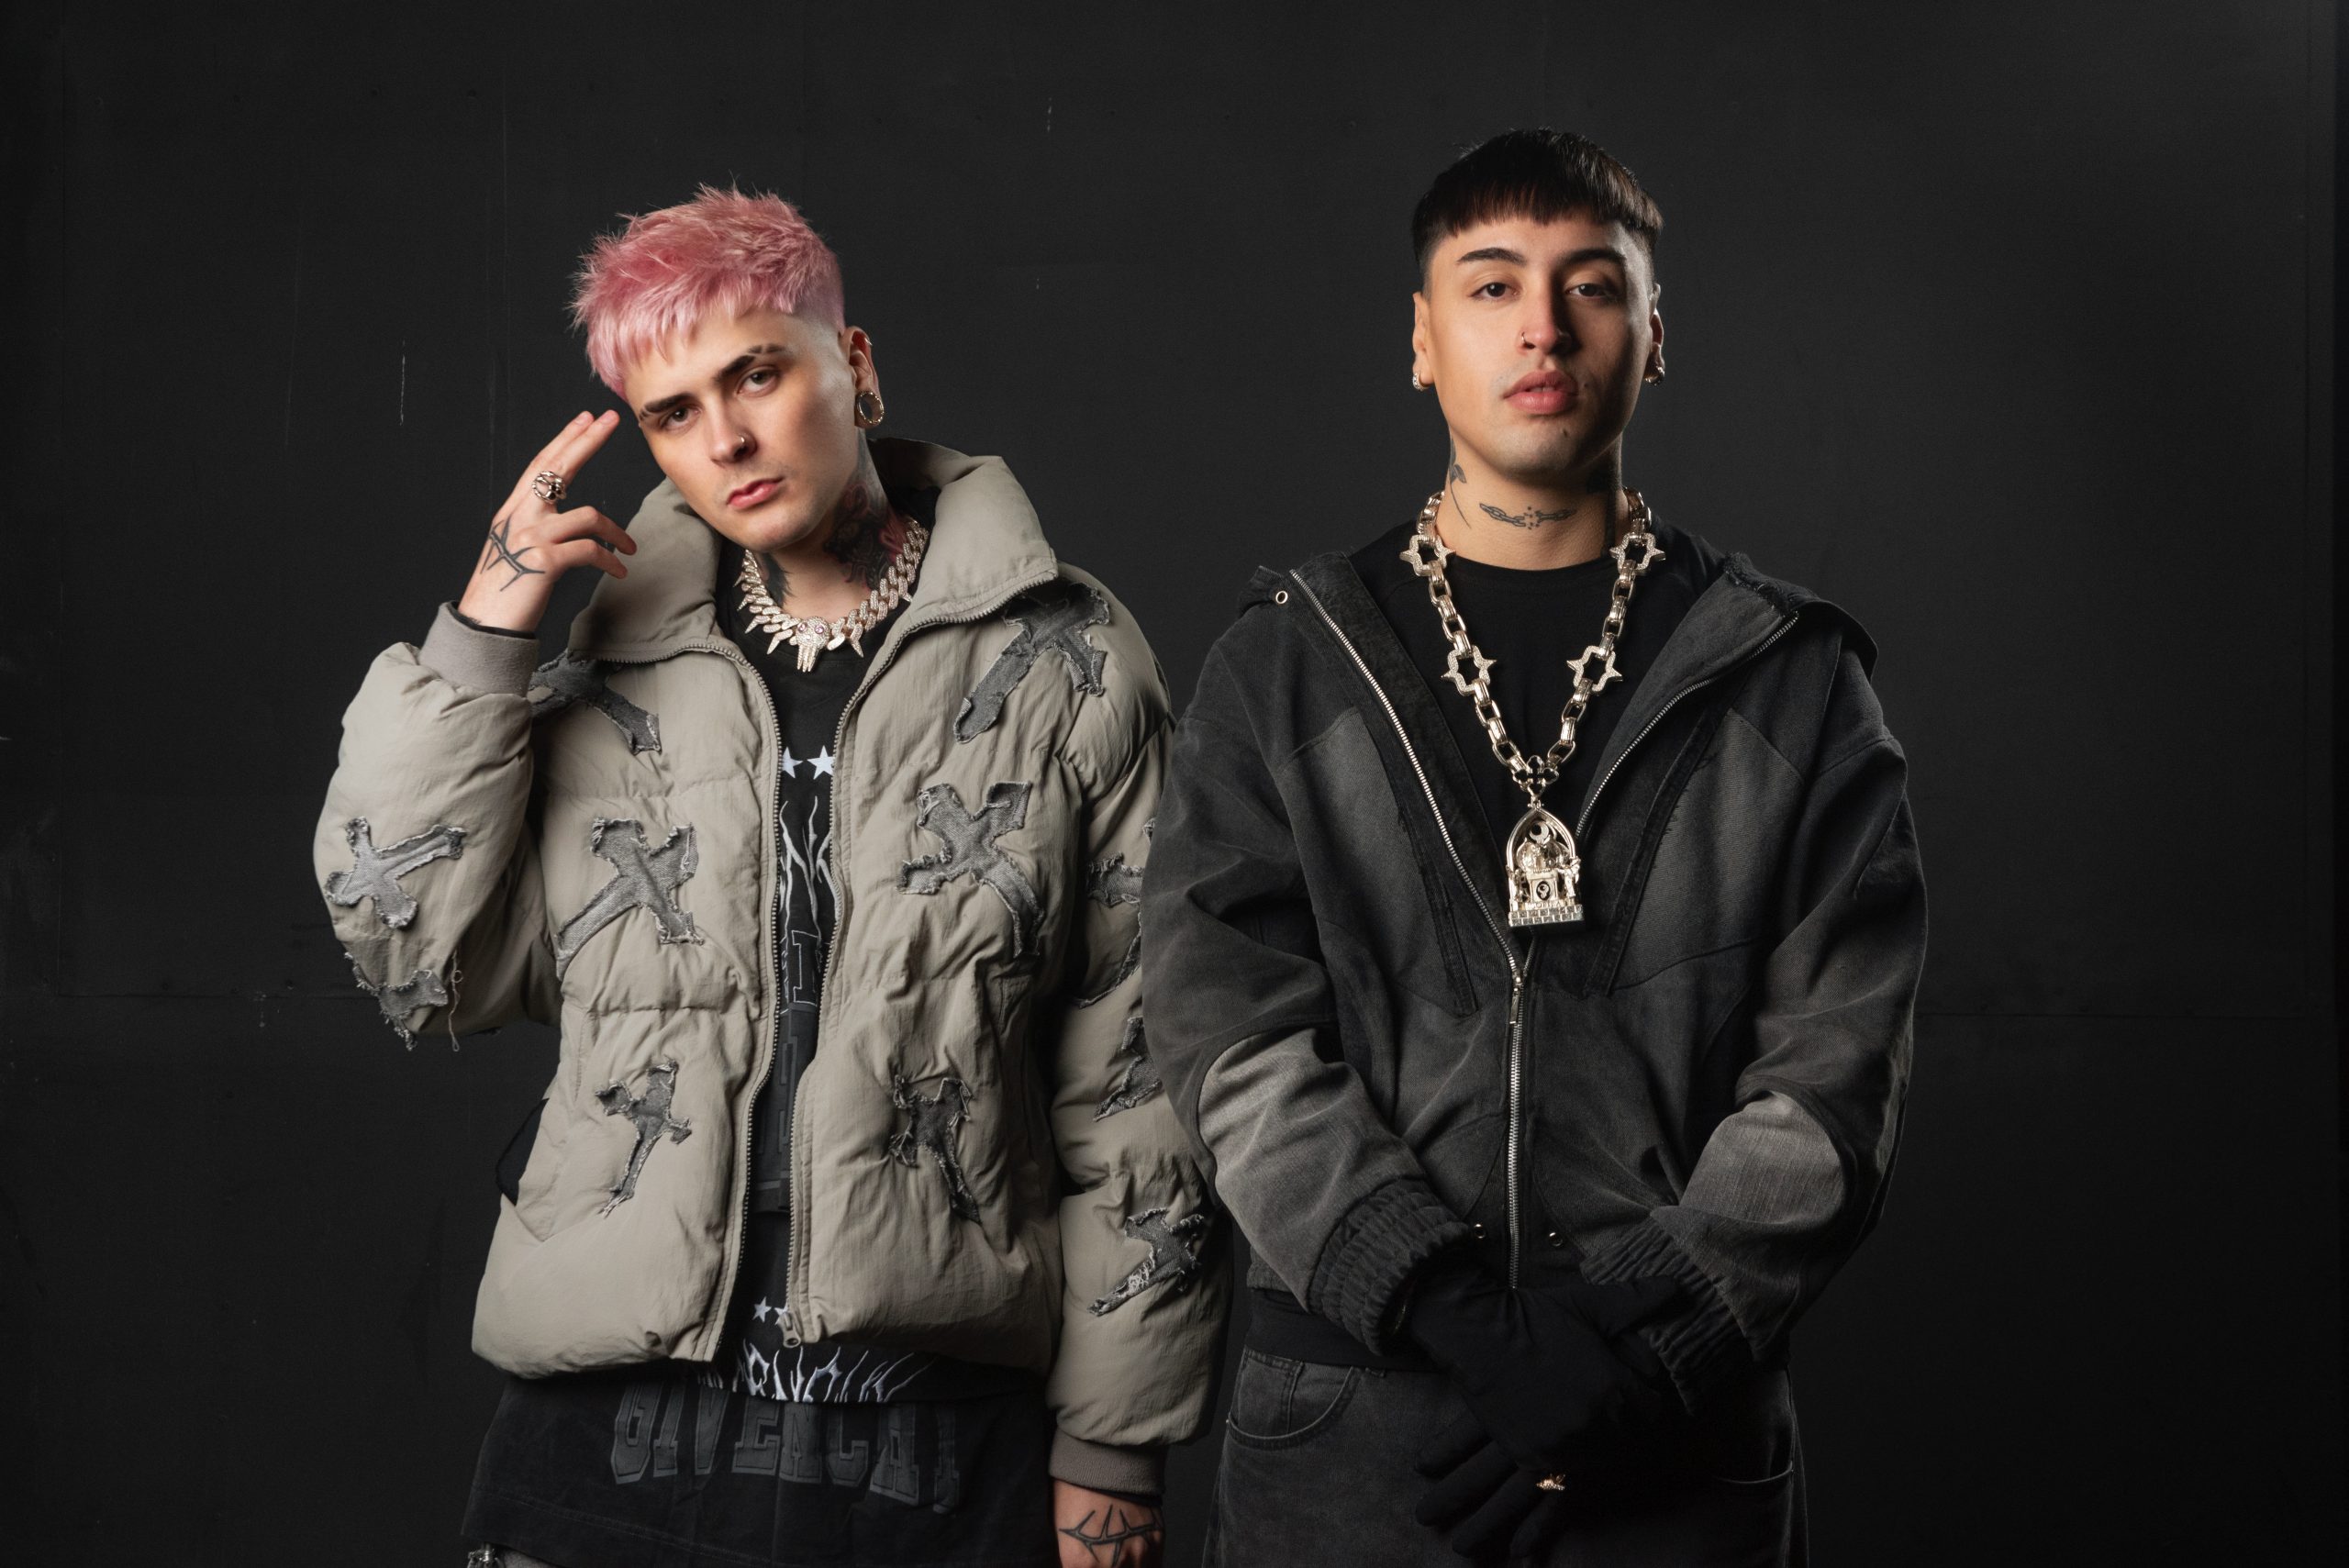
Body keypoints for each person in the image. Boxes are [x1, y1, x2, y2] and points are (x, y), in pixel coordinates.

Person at [312, 185, 1223, 1568]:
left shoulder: (1069, 656)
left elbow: (1139, 1074)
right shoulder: (607, 670)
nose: (726, 440)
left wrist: (1114, 1452)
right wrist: (484, 640)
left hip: (938, 1444)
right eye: (673, 413)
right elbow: (418, 964)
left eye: (755, 374)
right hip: (606, 1441)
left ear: (853, 364)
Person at [1142, 129, 1926, 1566]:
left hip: (1677, 1439)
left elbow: (1834, 1080)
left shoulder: (1796, 680)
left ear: (1655, 335)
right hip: (1353, 1433)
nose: (1544, 327)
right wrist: (1460, 1321)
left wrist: (1640, 1349)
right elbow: (1227, 1037)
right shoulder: (1284, 670)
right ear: (1423, 340)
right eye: (1493, 284)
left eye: (1593, 285)